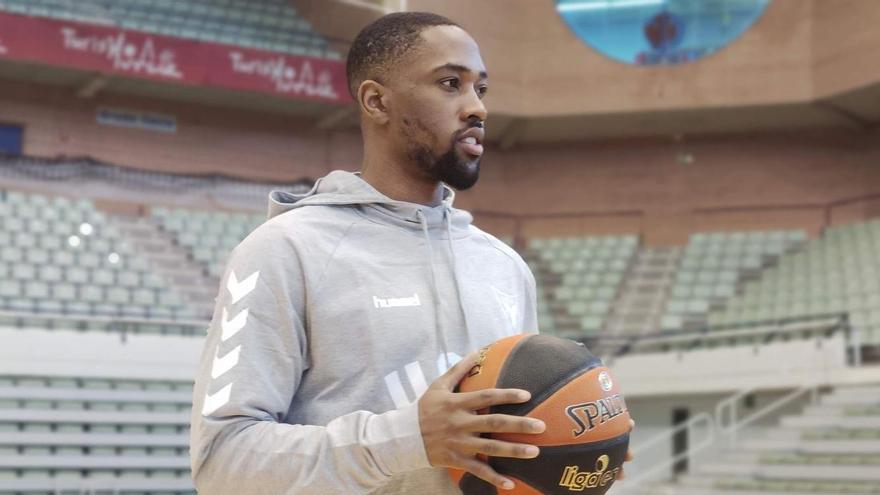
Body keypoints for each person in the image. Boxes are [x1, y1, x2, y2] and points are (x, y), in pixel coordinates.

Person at [190, 12, 630, 494]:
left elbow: (514, 441)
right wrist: (409, 439)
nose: (476, 108)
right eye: (449, 84)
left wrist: (570, 454)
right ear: (376, 101)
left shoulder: (504, 267)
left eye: (480, 90)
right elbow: (222, 461)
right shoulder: (283, 251)